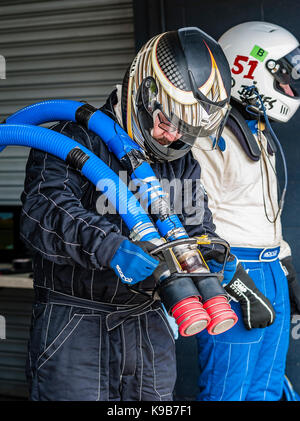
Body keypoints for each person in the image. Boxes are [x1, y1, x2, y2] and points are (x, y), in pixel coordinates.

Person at [20, 27, 233, 401]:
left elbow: (197, 223)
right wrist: (112, 248)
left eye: (189, 130)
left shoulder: (179, 160)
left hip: (149, 325)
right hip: (76, 327)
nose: (174, 138)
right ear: (143, 93)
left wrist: (211, 252)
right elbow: (43, 213)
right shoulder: (73, 139)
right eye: (169, 122)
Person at [193, 21, 300, 401]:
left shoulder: (258, 133)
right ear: (248, 67)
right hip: (235, 273)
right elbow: (194, 227)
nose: (290, 88)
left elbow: (264, 213)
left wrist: (285, 270)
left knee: (267, 388)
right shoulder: (208, 136)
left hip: (269, 270)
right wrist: (234, 281)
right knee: (229, 391)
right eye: (284, 75)